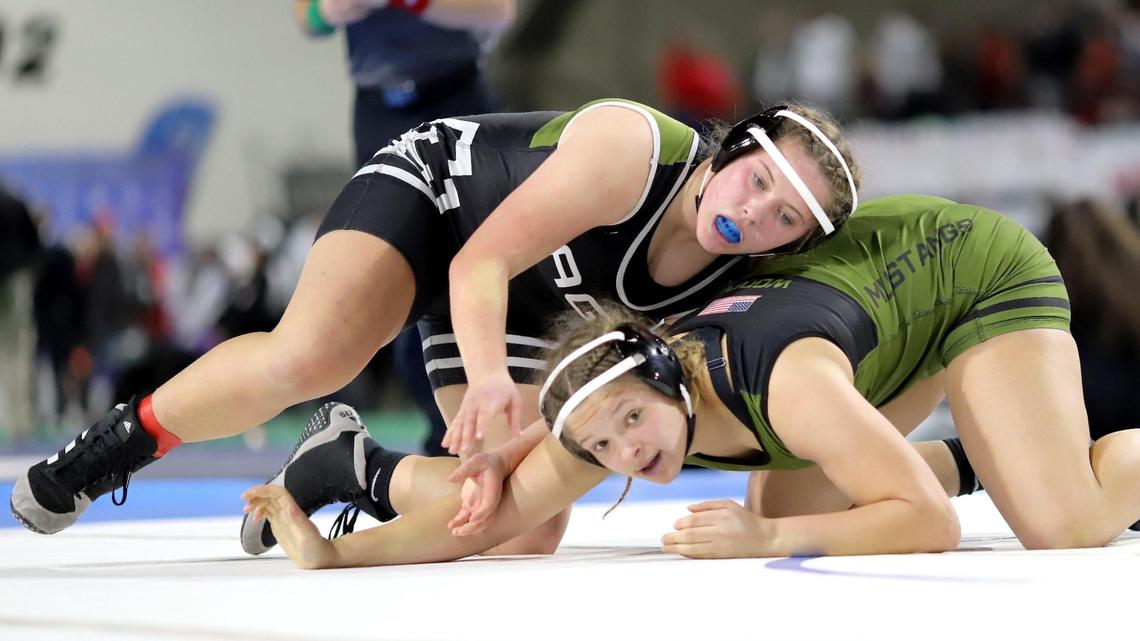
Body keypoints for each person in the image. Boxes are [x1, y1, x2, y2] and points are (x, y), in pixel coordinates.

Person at [10, 98, 860, 557]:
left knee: (519, 527)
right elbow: (478, 264)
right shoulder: (629, 152)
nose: (757, 217)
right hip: (443, 206)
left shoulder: (744, 272)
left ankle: (348, 465)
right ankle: (111, 446)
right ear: (727, 152)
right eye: (756, 185)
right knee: (312, 355)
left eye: (786, 218)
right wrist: (490, 382)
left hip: (538, 308)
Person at [243, 193, 1140, 568]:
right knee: (809, 483)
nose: (629, 453)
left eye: (630, 425)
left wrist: (771, 535)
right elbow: (494, 514)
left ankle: (1062, 458)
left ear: (671, 377)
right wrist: (334, 554)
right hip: (871, 310)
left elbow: (930, 527)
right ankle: (986, 448)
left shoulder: (785, 383)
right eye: (604, 447)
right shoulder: (620, 399)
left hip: (972, 271)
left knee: (1063, 522)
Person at [293, 0, 516, 456]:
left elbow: (499, 10)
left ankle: (483, 431)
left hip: (455, 95)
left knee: (476, 259)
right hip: (378, 109)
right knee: (397, 275)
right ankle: (443, 435)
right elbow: (306, 18)